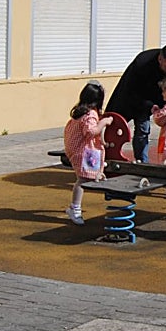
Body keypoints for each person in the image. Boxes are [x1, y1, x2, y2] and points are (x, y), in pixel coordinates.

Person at [106, 45, 166, 163]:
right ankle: (142, 161)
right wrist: (149, 106)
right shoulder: (142, 63)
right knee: (143, 128)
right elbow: (131, 91)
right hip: (142, 95)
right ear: (160, 59)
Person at [62, 81, 113, 225]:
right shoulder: (90, 114)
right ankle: (75, 208)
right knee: (83, 180)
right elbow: (91, 132)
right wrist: (104, 122)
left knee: (85, 176)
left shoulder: (79, 111)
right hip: (82, 151)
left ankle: (97, 172)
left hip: (75, 149)